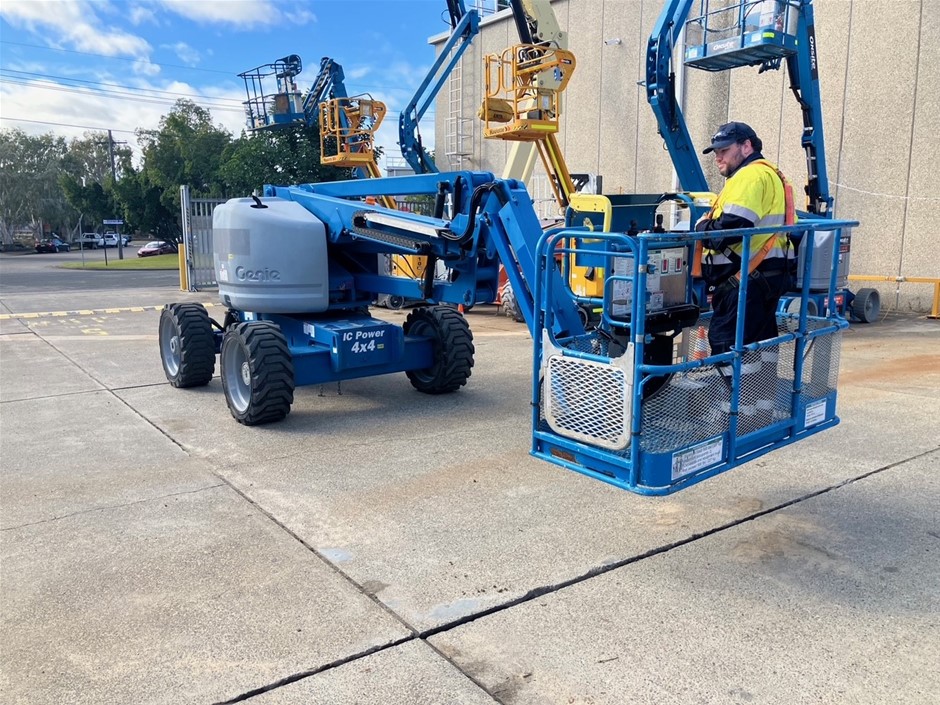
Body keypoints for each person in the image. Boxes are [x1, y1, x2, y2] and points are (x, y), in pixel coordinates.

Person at [695, 121, 795, 355]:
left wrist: (701, 227)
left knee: (728, 343)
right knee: (760, 342)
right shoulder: (772, 173)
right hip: (767, 274)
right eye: (716, 152)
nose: (718, 158)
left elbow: (731, 229)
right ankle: (760, 381)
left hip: (745, 279)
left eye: (724, 150)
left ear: (746, 146)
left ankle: (731, 381)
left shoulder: (749, 176)